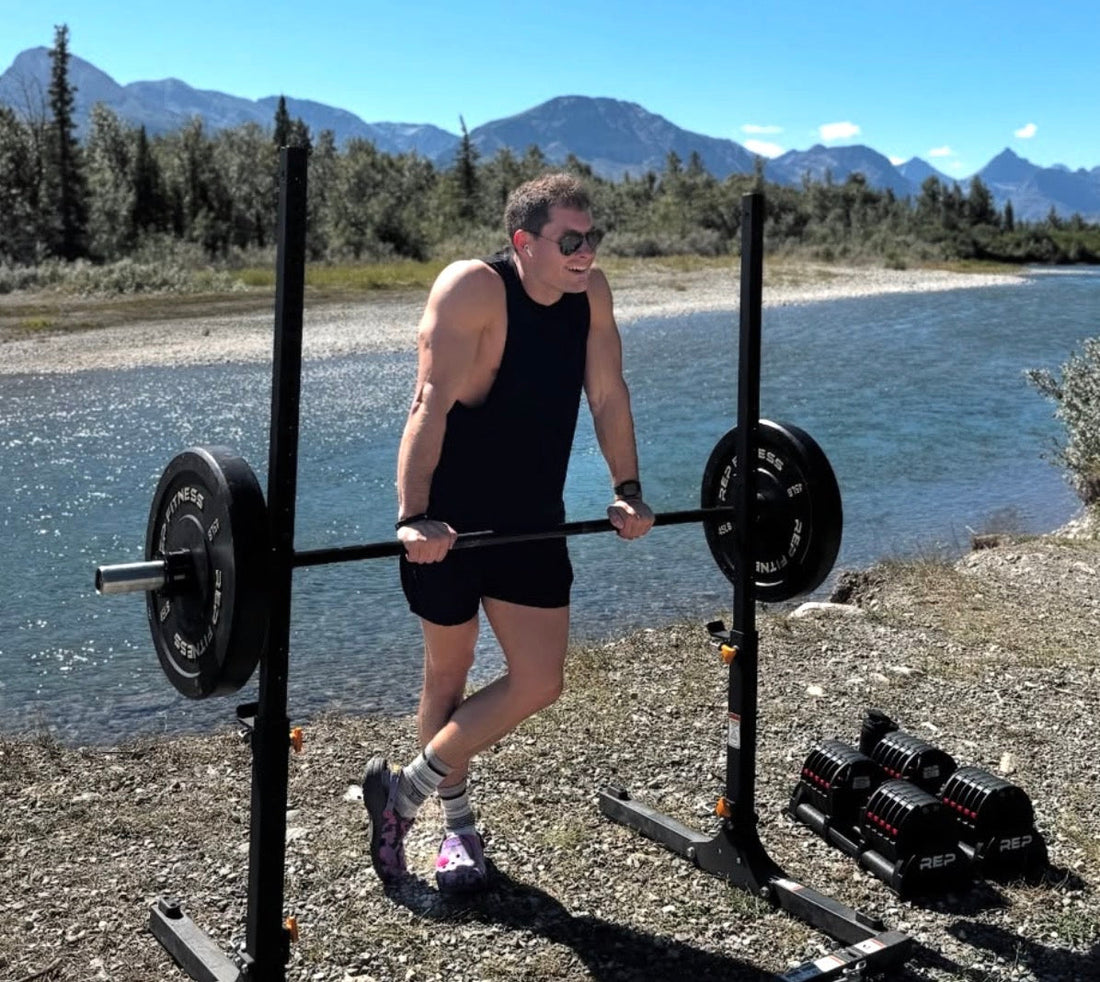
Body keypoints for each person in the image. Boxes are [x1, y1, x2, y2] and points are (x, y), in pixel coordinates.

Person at [363, 172, 654, 893]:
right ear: (524, 241)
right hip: (449, 521)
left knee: (539, 680)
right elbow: (427, 404)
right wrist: (412, 517)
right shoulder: (473, 289)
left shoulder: (592, 294)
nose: (586, 253)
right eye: (571, 240)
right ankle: (456, 831)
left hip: (530, 518)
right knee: (448, 676)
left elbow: (608, 394)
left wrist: (628, 490)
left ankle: (403, 795)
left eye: (593, 238)